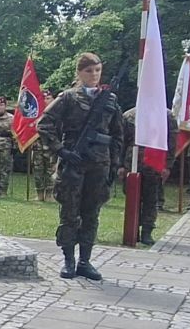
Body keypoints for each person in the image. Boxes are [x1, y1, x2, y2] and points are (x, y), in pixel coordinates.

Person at [38, 52, 124, 280]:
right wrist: (61, 150)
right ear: (79, 73)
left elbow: (117, 135)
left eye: (97, 70)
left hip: (99, 164)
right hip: (73, 164)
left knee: (92, 213)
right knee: (70, 213)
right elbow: (44, 124)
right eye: (89, 71)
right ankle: (69, 260)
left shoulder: (110, 100)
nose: (94, 75)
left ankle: (85, 260)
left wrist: (115, 165)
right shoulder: (68, 97)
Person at [120, 107, 177, 245]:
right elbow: (121, 140)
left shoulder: (166, 115)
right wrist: (120, 164)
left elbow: (172, 141)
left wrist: (167, 165)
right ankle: (133, 230)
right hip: (131, 161)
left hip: (154, 162)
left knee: (151, 198)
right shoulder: (129, 115)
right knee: (132, 197)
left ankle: (147, 230)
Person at [32, 89, 57, 201]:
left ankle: (49, 194)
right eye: (43, 99)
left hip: (51, 146)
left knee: (50, 170)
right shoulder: (36, 114)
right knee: (38, 170)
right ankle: (39, 194)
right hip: (38, 146)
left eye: (48, 98)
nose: (45, 101)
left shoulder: (57, 113)